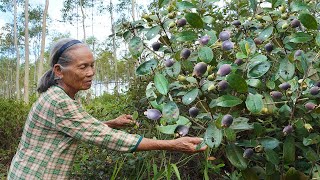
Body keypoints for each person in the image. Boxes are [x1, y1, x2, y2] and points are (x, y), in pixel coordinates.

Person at [7, 38, 207, 179]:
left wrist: (112, 123)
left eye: (92, 66)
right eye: (83, 67)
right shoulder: (58, 101)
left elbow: (76, 128)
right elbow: (108, 138)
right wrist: (173, 145)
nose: (91, 73)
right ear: (59, 71)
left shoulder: (60, 97)